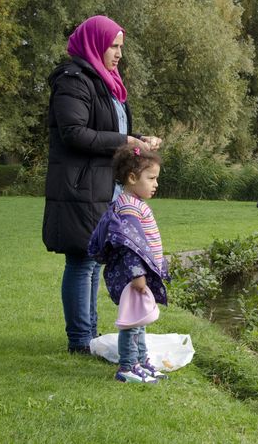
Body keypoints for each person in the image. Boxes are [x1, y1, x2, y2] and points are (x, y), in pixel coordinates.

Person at [42, 15, 162, 354]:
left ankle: (90, 334)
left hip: (105, 188)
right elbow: (74, 133)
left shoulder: (109, 82)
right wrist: (125, 138)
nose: (119, 53)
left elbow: (112, 134)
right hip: (80, 187)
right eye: (113, 46)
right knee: (81, 260)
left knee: (94, 260)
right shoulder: (73, 80)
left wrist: (137, 141)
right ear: (95, 44)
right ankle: (81, 341)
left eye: (121, 47)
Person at [88, 145, 169, 383]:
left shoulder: (134, 203)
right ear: (132, 178)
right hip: (132, 278)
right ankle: (127, 367)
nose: (155, 184)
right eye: (151, 178)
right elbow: (129, 247)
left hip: (137, 276)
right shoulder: (128, 208)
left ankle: (141, 361)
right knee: (131, 323)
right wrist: (137, 276)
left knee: (140, 320)